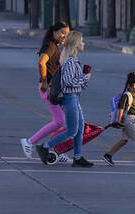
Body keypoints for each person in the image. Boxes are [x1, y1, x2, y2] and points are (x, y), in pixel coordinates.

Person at [37, 31, 94, 168]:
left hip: (75, 97)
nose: (83, 43)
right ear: (75, 44)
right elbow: (68, 82)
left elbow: (79, 84)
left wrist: (84, 79)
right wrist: (85, 78)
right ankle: (45, 146)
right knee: (72, 130)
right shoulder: (69, 61)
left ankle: (78, 157)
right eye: (81, 41)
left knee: (80, 128)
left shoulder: (72, 60)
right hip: (70, 98)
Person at [20, 20, 69, 159]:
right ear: (54, 32)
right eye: (62, 33)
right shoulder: (50, 46)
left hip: (55, 88)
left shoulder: (55, 46)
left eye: (67, 34)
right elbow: (41, 62)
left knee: (60, 123)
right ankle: (30, 142)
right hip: (49, 88)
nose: (64, 36)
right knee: (59, 121)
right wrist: (44, 81)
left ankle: (56, 151)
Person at [102, 71, 135, 167]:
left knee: (124, 140)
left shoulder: (133, 95)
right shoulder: (127, 95)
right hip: (129, 120)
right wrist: (118, 120)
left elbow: (131, 108)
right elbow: (122, 108)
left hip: (131, 119)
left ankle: (108, 155)